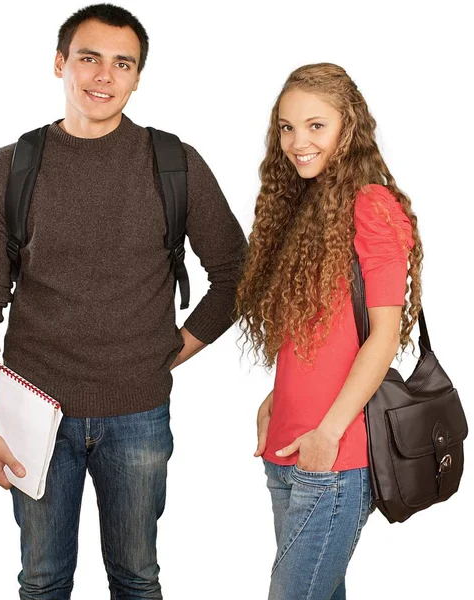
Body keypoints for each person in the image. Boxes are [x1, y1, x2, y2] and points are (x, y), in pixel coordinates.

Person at [0, 3, 246, 599]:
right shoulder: (9, 169)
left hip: (138, 413)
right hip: (36, 410)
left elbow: (236, 274)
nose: (103, 76)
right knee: (42, 580)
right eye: (88, 58)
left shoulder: (174, 163)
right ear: (60, 63)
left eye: (122, 63)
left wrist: (172, 351)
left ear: (138, 77)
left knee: (137, 577)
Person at [235, 63, 422, 600]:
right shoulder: (308, 204)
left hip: (335, 452)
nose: (298, 142)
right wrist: (278, 394)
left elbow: (383, 336)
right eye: (287, 127)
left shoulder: (372, 206)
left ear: (348, 127)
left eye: (316, 126)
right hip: (287, 443)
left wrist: (328, 432)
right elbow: (321, 332)